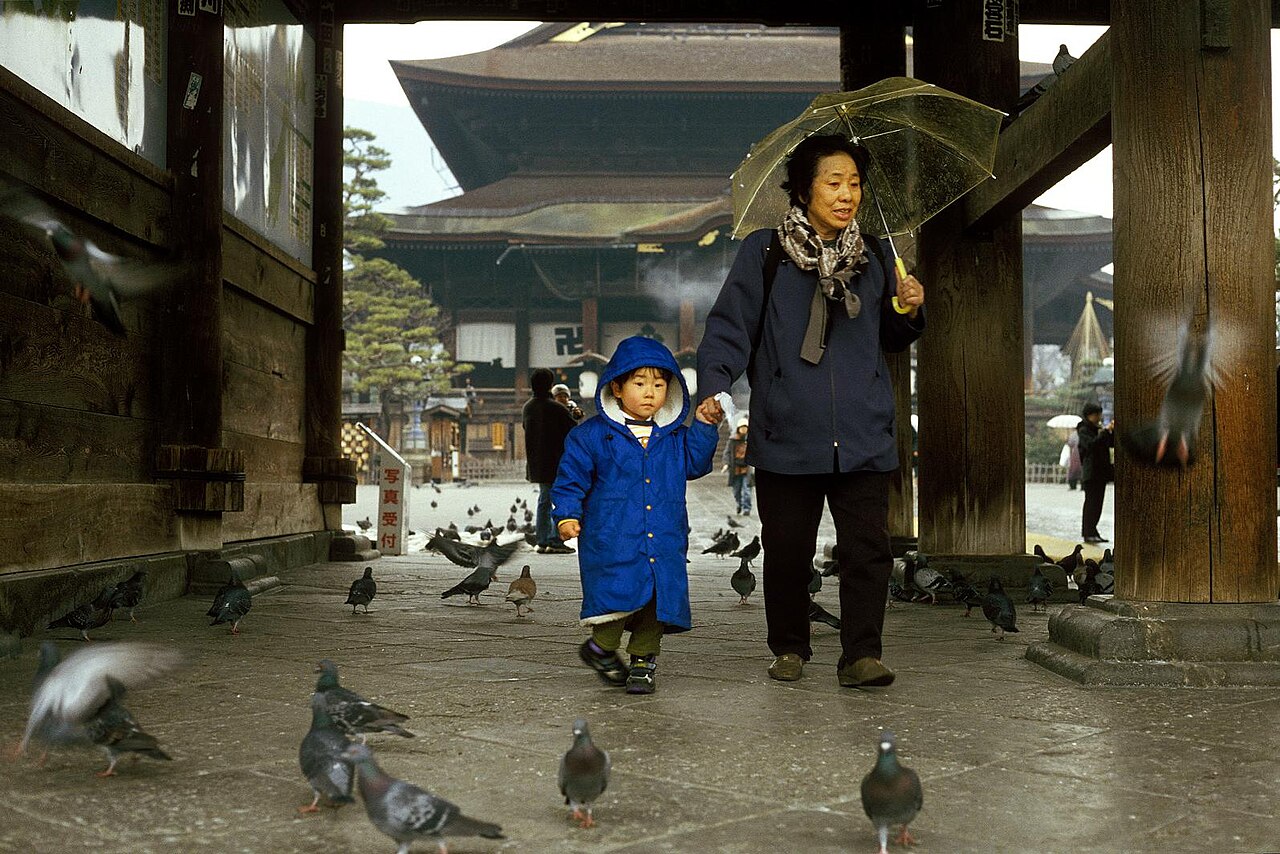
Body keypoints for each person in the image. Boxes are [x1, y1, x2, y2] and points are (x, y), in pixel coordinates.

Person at [696, 133, 925, 688]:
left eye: (855, 184)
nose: (847, 195)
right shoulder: (765, 253)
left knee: (868, 551)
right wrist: (714, 384)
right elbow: (730, 326)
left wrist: (907, 307)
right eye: (834, 182)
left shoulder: (874, 256)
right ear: (803, 190)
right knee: (787, 551)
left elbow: (892, 338)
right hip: (787, 431)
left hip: (863, 432)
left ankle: (862, 654)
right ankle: (790, 646)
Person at [552, 336, 720, 694]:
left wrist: (705, 426)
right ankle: (601, 647)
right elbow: (570, 479)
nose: (650, 393)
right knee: (618, 595)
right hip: (612, 536)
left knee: (657, 601)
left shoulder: (674, 437)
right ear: (616, 387)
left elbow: (696, 464)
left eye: (659, 385)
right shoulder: (590, 437)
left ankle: (644, 661)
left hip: (664, 535)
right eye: (640, 383)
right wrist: (566, 514)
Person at [522, 368, 578, 554]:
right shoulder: (556, 408)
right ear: (550, 385)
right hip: (557, 461)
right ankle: (555, 540)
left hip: (538, 461)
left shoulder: (528, 407)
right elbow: (573, 431)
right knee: (560, 500)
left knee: (544, 500)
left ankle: (542, 540)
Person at [1077, 403, 1114, 543]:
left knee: (1098, 504)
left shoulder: (1098, 429)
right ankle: (1088, 532)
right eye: (1096, 414)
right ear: (1089, 415)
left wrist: (1110, 432)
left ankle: (1093, 531)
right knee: (1091, 504)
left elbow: (1110, 443)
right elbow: (1091, 445)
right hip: (1091, 472)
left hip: (1101, 472)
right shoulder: (1083, 430)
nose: (1098, 417)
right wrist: (1104, 433)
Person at [724, 416, 753, 515]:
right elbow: (727, 453)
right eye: (742, 427)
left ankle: (746, 508)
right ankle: (739, 504)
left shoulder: (751, 440)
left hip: (746, 468)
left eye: (745, 428)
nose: (744, 430)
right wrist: (726, 464)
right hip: (735, 468)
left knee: (746, 489)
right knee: (736, 490)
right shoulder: (732, 440)